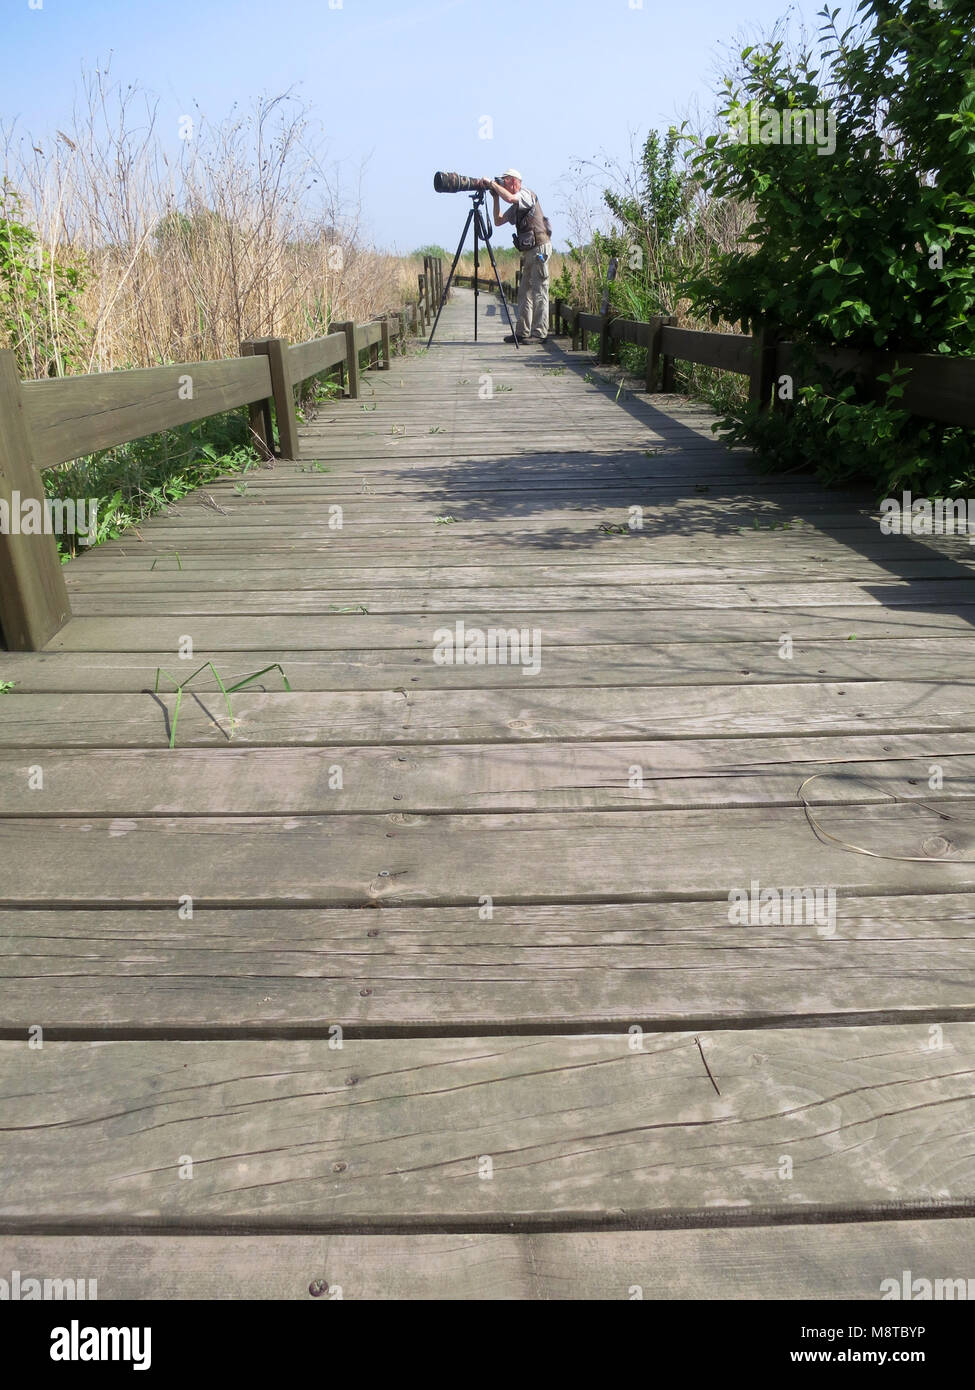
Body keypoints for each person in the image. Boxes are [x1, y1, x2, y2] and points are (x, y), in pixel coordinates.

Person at [483, 169, 552, 343]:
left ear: (514, 181)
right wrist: (495, 197)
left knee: (539, 291)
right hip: (530, 251)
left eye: (505, 182)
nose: (502, 185)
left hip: (540, 249)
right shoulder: (516, 206)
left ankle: (539, 333)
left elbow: (511, 198)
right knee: (524, 293)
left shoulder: (525, 195)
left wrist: (492, 184)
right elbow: (498, 221)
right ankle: (523, 332)